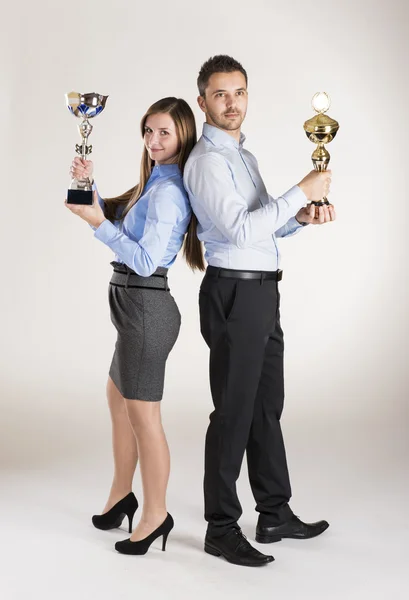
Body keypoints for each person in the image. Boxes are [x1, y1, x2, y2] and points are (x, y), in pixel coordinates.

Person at [183, 55, 336, 567]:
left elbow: (263, 224)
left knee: (267, 406)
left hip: (263, 292)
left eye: (240, 92)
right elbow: (239, 232)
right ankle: (220, 527)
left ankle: (274, 513)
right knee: (233, 411)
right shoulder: (206, 161)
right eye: (222, 94)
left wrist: (302, 215)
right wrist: (300, 189)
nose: (233, 103)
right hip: (234, 294)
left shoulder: (243, 157)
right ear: (202, 100)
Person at [65, 96, 201, 556]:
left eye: (164, 132)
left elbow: (144, 261)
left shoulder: (169, 190)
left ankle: (156, 514)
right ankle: (123, 495)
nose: (154, 140)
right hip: (132, 308)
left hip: (147, 307)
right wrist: (90, 187)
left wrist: (97, 223)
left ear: (183, 134)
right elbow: (121, 221)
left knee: (144, 416)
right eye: (148, 131)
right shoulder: (153, 182)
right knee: (116, 396)